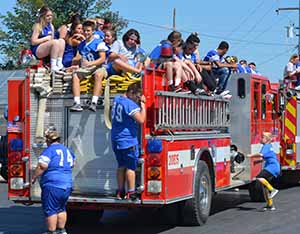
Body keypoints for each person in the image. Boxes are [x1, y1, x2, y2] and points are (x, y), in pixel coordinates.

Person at [31, 127, 75, 234]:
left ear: (48, 140)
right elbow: (72, 164)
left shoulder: (49, 151)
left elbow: (42, 166)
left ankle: (51, 231)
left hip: (53, 185)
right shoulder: (67, 150)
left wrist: (33, 177)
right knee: (61, 208)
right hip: (67, 185)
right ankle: (62, 230)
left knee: (51, 209)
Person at [111, 82, 146, 201]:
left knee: (121, 166)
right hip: (128, 140)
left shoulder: (117, 99)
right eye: (137, 96)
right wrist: (143, 105)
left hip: (116, 138)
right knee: (131, 167)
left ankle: (120, 191)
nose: (137, 99)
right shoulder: (130, 105)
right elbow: (141, 119)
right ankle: (131, 193)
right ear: (131, 93)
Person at [70, 20, 109, 112]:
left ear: (93, 31)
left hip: (98, 67)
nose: (86, 33)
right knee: (75, 75)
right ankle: (77, 103)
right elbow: (78, 58)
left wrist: (90, 64)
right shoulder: (81, 45)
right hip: (86, 68)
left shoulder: (99, 43)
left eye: (88, 31)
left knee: (98, 75)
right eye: (84, 31)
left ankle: (94, 102)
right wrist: (72, 65)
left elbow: (102, 59)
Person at [247, 132, 280, 211]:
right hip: (275, 167)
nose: (261, 139)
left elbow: (261, 154)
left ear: (267, 140)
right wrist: (257, 162)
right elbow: (267, 157)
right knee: (264, 186)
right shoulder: (269, 146)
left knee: (259, 177)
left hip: (272, 167)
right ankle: (270, 205)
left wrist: (251, 156)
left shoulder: (266, 146)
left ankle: (273, 190)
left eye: (262, 137)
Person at [30, 6, 65, 72]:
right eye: (48, 16)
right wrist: (45, 39)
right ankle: (53, 65)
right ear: (43, 17)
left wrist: (50, 40)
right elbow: (33, 42)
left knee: (61, 41)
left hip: (46, 47)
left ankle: (59, 63)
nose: (50, 17)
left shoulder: (51, 26)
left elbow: (52, 40)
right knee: (55, 42)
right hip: (37, 49)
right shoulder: (38, 26)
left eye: (51, 15)